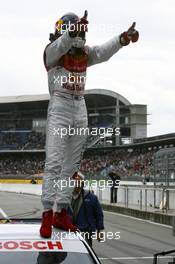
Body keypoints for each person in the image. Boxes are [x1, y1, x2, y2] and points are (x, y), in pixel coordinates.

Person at [40, 10, 139, 238]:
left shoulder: (84, 52)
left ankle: (61, 212)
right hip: (60, 104)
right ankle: (47, 212)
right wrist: (71, 32)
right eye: (72, 30)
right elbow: (58, 47)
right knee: (54, 162)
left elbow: (103, 52)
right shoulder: (52, 53)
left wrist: (122, 39)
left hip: (79, 106)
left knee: (71, 167)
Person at [69, 172, 104, 247]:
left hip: (85, 233)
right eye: (73, 181)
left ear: (82, 184)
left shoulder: (91, 197)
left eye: (77, 181)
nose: (75, 184)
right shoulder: (65, 198)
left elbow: (99, 214)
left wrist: (99, 230)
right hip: (68, 233)